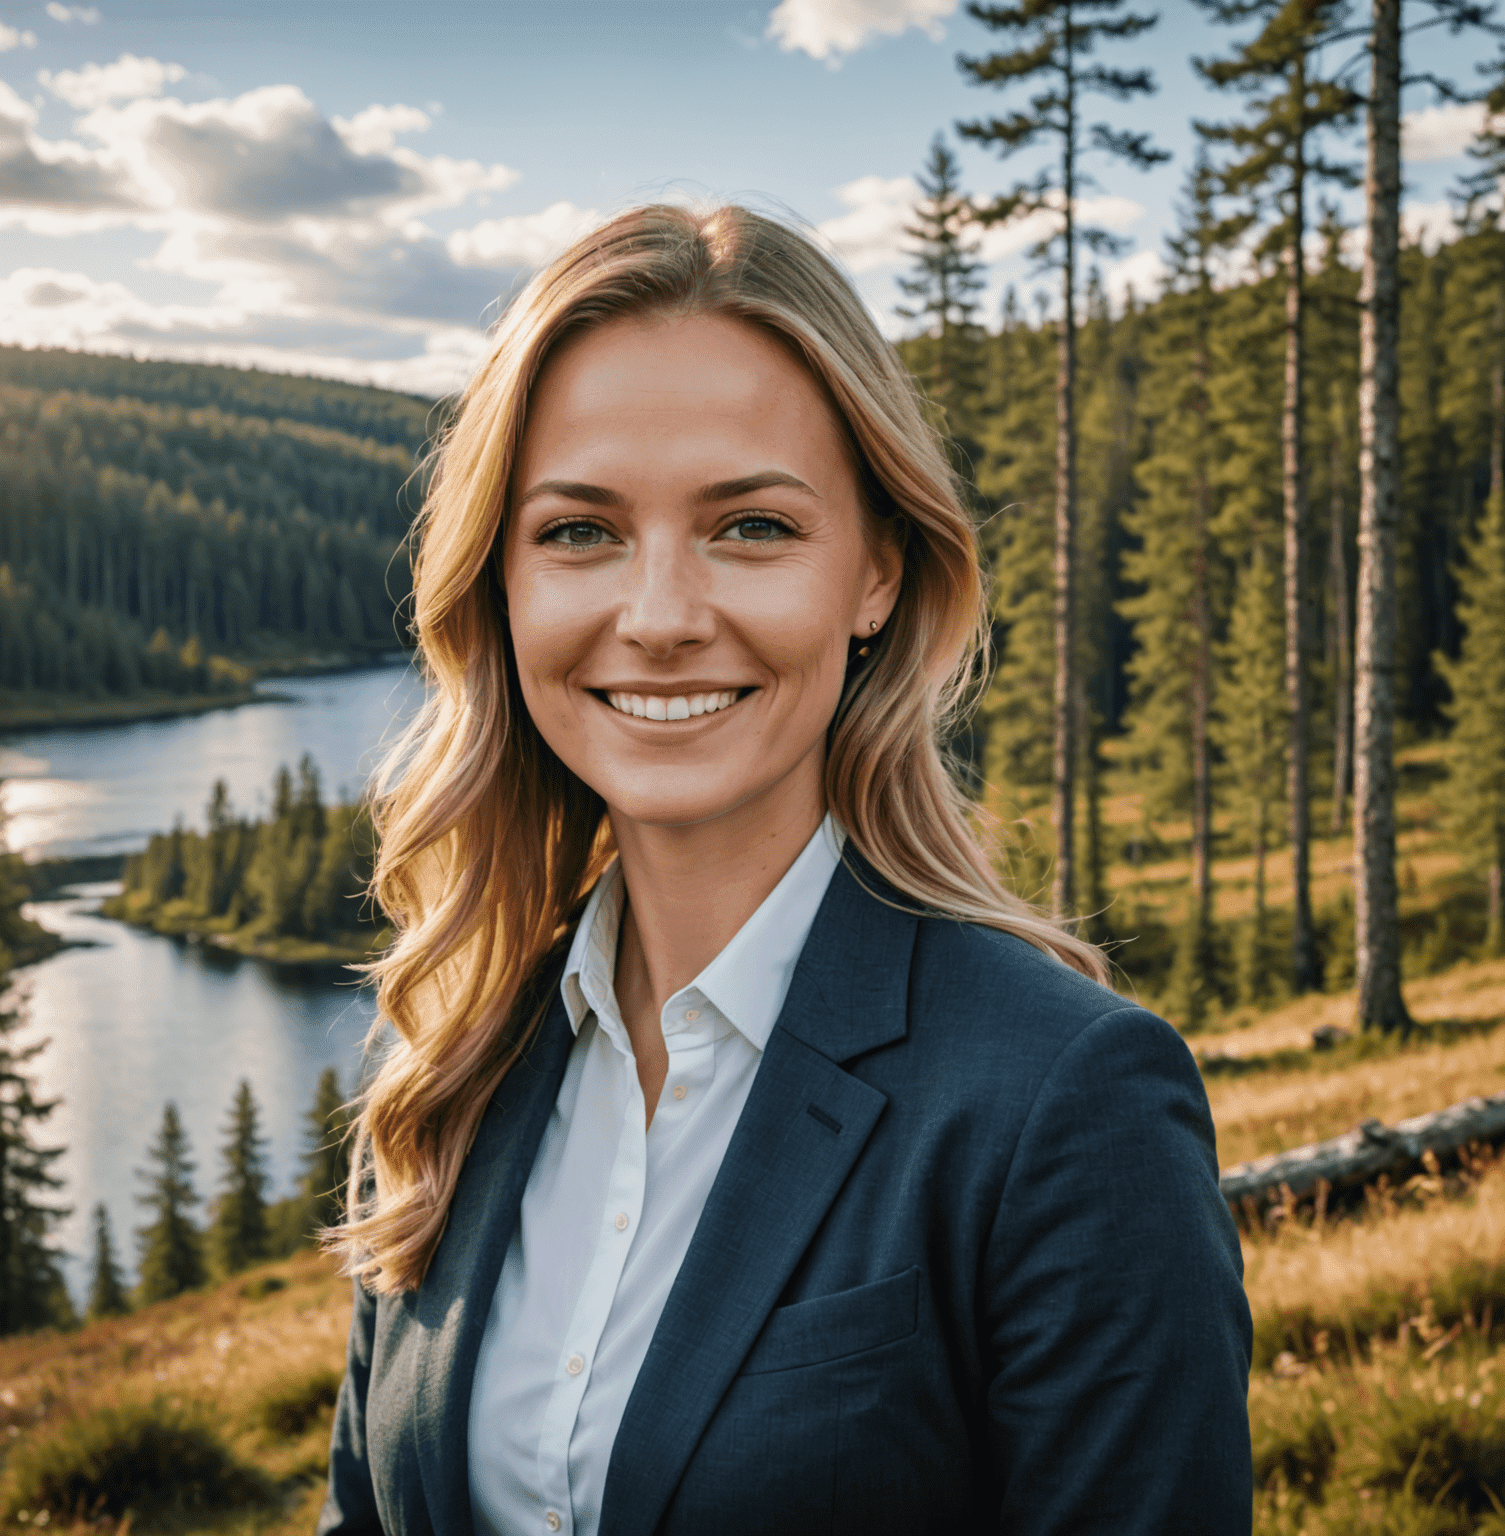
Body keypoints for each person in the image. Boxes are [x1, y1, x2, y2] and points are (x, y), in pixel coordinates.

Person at [318, 203, 1252, 1536]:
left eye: (751, 528)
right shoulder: (453, 1066)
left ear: (875, 570)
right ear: (500, 581)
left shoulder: (1064, 1103)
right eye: (579, 532)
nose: (659, 619)